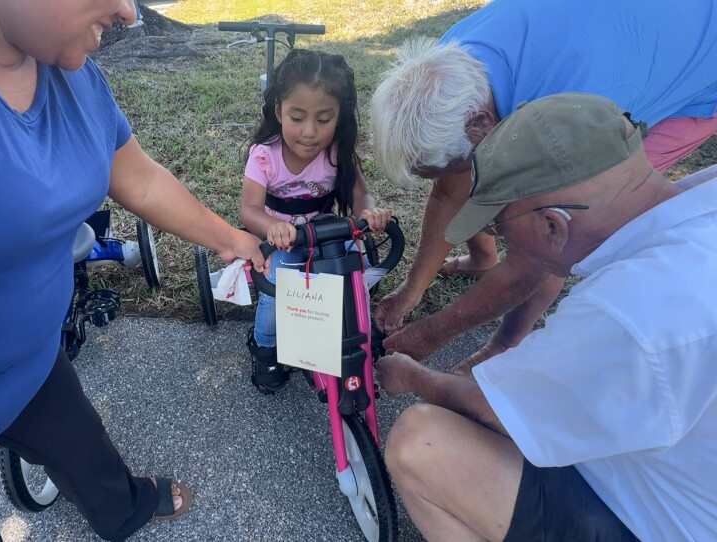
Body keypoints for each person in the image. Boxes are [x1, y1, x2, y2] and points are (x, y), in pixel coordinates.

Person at [0, 1, 267, 541]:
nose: (130, 13)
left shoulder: (70, 73)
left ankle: (121, 508)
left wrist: (231, 239)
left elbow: (140, 179)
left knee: (86, 451)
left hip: (32, 363)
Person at [375, 92, 717, 541]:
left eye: (500, 226)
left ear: (553, 226)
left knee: (421, 441)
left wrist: (412, 376)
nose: (499, 239)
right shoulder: (702, 194)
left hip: (662, 521)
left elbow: (497, 410)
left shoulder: (627, 308)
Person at [369, 0, 717, 373]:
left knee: (571, 229)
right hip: (625, 36)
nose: (449, 178)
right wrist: (411, 291)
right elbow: (450, 190)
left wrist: (430, 334)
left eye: (448, 167)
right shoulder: (447, 70)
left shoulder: (586, 115)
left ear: (481, 123)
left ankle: (504, 346)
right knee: (482, 176)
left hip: (694, 73)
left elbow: (547, 252)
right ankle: (484, 260)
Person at [239, 48, 391, 393]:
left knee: (358, 274)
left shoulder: (337, 152)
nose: (310, 132)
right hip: (280, 240)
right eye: (297, 117)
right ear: (279, 111)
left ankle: (356, 336)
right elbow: (249, 210)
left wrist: (368, 210)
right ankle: (264, 346)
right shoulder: (265, 156)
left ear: (340, 118)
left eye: (323, 120)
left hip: (325, 233)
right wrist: (272, 227)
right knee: (275, 293)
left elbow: (360, 195)